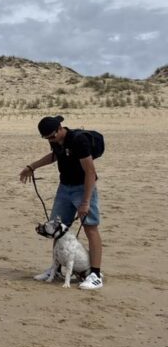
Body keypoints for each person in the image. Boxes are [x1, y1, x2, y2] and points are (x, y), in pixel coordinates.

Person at [19, 115, 104, 290]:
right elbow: (54, 156)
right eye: (46, 138)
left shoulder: (79, 141)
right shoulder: (55, 141)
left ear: (60, 129)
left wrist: (85, 202)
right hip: (64, 188)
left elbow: (90, 172)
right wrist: (32, 166)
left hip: (83, 187)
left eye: (51, 136)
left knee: (90, 227)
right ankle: (56, 269)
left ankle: (95, 274)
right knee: (56, 228)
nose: (50, 140)